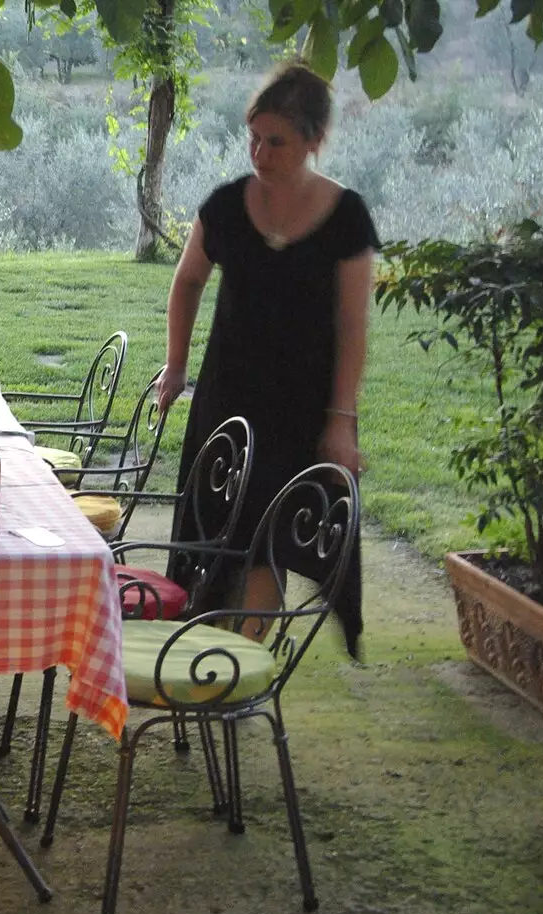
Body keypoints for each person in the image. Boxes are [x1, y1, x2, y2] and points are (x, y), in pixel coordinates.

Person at [156, 61, 377, 655]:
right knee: (214, 536)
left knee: (273, 539)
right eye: (252, 137)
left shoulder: (347, 217)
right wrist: (176, 366)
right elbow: (187, 283)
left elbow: (354, 326)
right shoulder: (226, 205)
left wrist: (341, 420)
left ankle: (241, 666)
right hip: (227, 399)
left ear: (314, 140)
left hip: (302, 408)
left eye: (275, 141)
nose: (259, 151)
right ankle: (202, 658)